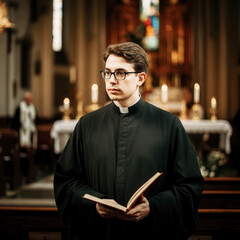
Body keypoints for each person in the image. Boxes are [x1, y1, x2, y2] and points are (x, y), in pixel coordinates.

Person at [54, 42, 204, 240]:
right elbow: (66, 181)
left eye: (121, 73)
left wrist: (153, 207)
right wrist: (95, 203)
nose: (112, 80)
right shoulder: (87, 124)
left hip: (148, 234)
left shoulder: (168, 125)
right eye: (107, 73)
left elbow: (189, 186)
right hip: (101, 233)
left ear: (140, 78)